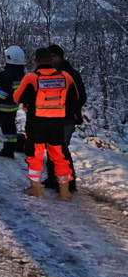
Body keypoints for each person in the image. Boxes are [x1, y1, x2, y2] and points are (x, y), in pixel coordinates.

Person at [13, 48, 79, 201]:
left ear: (36, 61)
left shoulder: (31, 78)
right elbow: (74, 97)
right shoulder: (66, 77)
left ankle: (36, 189)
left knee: (34, 156)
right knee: (59, 156)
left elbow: (17, 97)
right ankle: (64, 192)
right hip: (57, 124)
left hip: (36, 123)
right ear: (51, 60)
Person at [43, 44, 86, 192]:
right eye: (49, 56)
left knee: (60, 149)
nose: (51, 59)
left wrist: (67, 107)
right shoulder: (49, 73)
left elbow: (81, 97)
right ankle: (52, 178)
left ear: (60, 57)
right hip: (50, 117)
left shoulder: (70, 74)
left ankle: (69, 183)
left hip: (65, 118)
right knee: (51, 147)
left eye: (54, 56)